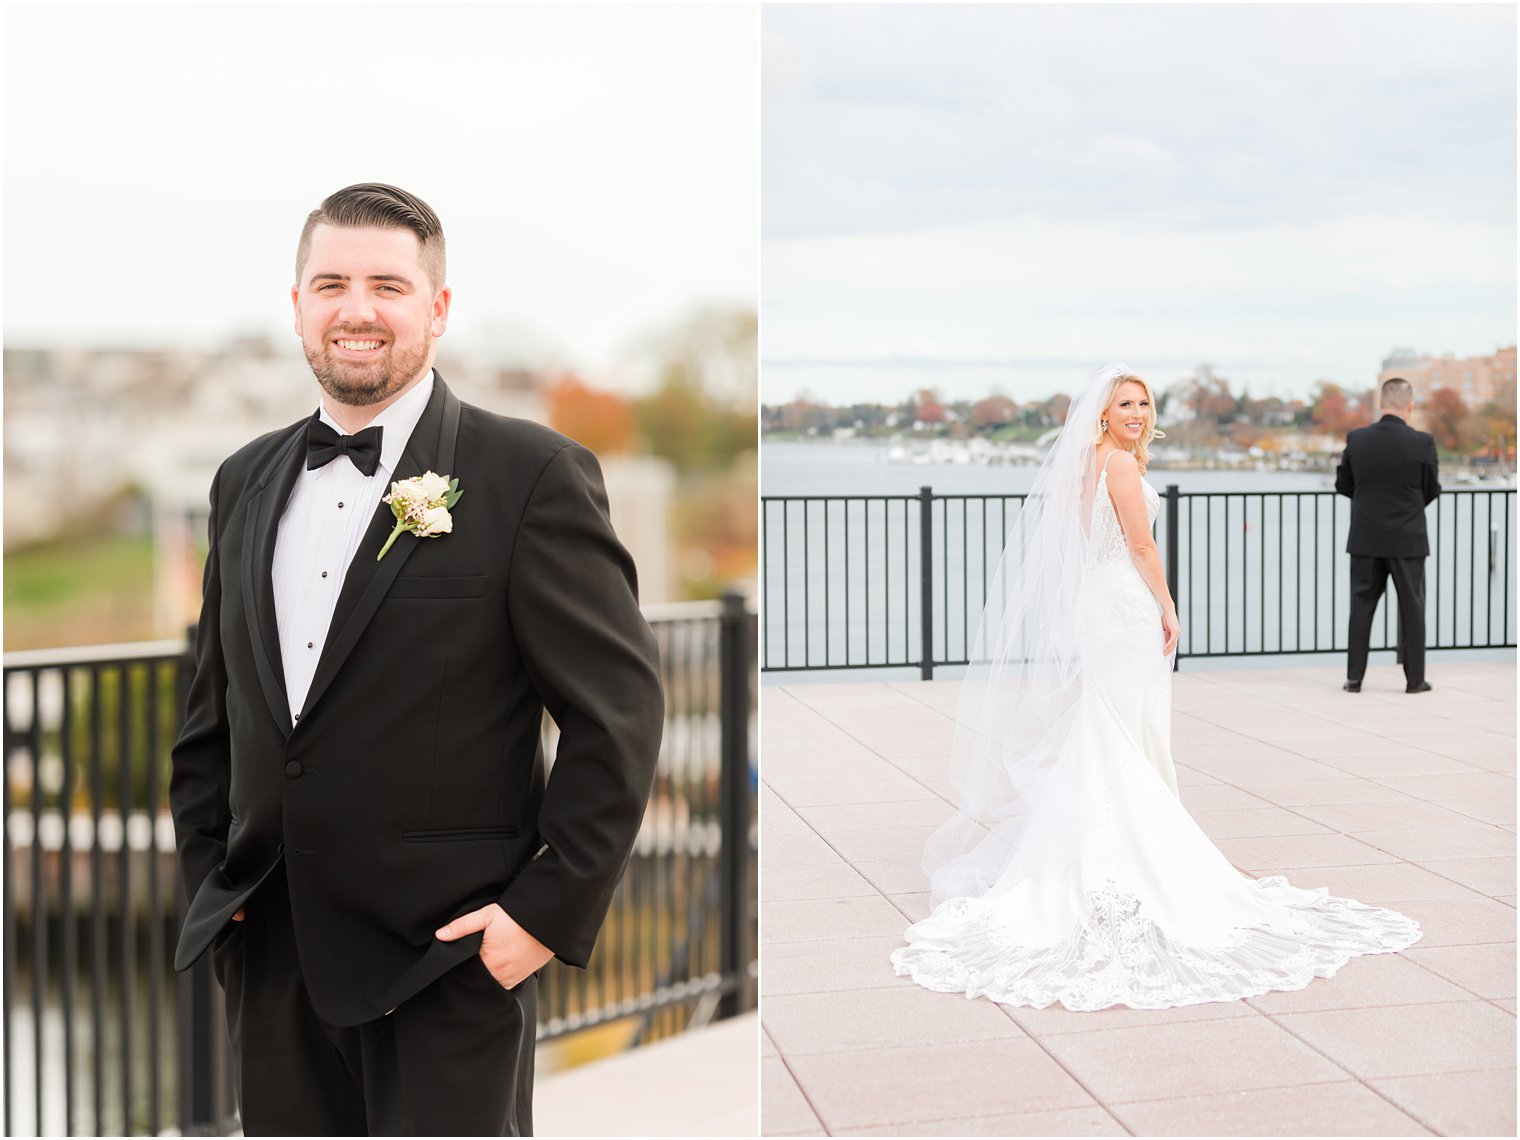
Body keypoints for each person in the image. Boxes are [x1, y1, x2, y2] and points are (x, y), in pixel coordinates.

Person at [169, 183, 664, 1135]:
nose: (356, 310)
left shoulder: (532, 476)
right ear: (299, 306)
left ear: (436, 308)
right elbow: (212, 720)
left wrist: (540, 918)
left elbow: (619, 719)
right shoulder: (243, 479)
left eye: (387, 285)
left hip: (446, 963)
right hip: (274, 954)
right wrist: (213, 893)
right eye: (331, 284)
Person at [891, 363, 1420, 1011]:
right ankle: (1130, 856)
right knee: (1126, 732)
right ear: (1104, 414)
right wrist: (1167, 605)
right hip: (1124, 605)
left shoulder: (1090, 462)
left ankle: (1083, 852)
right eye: (1125, 405)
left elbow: (1089, 539)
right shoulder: (1117, 465)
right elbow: (1140, 548)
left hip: (1099, 601)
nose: (1138, 414)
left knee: (1108, 727)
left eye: (1143, 403)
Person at [1335, 377, 1441, 694]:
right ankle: (1415, 680)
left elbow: (1343, 485)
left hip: (1366, 537)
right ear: (1410, 406)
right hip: (1408, 539)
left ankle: (1354, 679)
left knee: (1361, 607)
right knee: (1413, 609)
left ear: (1381, 404)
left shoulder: (1357, 439)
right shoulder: (1423, 443)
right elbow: (1431, 489)